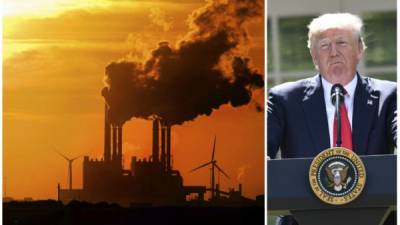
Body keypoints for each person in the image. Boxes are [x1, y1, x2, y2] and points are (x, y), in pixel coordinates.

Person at [267, 13, 396, 225]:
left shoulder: (389, 95)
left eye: (342, 43)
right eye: (324, 45)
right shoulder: (284, 98)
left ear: (360, 49)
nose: (334, 52)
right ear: (314, 56)